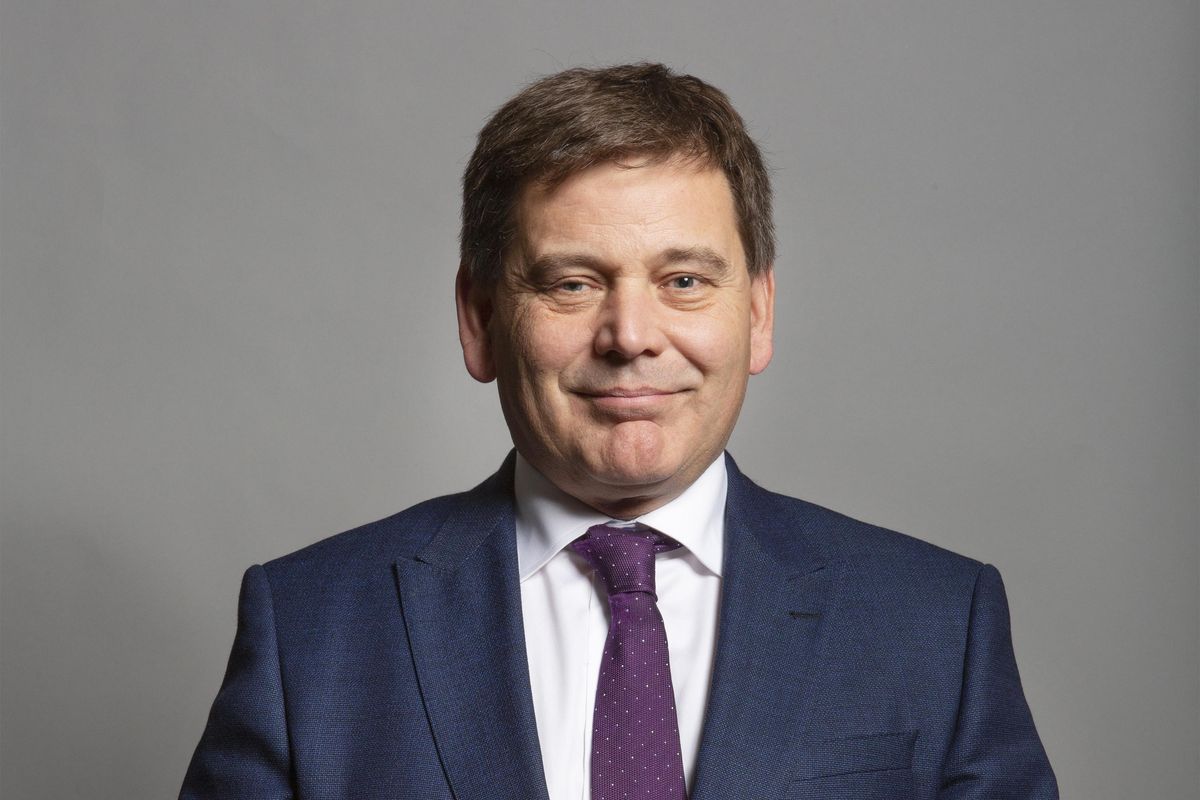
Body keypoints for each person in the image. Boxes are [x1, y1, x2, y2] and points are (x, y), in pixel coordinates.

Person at [180, 63, 1057, 800]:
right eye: (571, 284)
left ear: (757, 315)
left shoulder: (935, 622)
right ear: (480, 320)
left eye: (683, 281)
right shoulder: (310, 633)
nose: (630, 334)